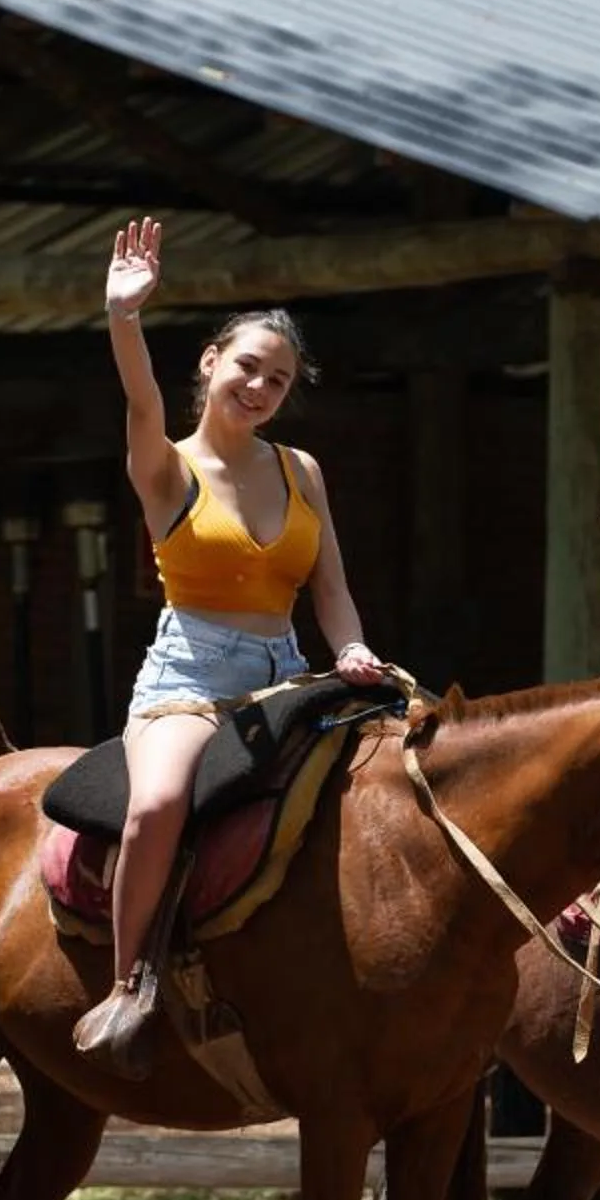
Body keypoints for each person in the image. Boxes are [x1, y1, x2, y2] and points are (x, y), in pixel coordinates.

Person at [74, 216, 393, 1079]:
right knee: (155, 805)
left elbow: (330, 590)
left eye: (279, 379)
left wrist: (355, 651)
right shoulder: (166, 467)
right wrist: (125, 318)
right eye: (248, 366)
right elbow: (141, 401)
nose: (260, 386)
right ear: (212, 363)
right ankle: (129, 982)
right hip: (190, 675)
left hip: (288, 672)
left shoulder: (303, 471)